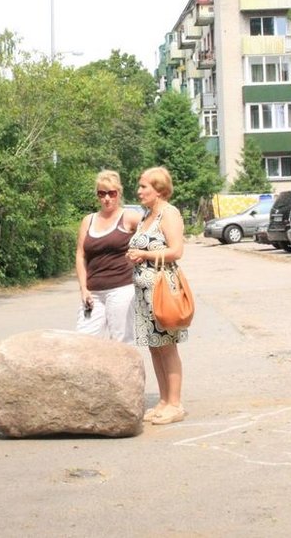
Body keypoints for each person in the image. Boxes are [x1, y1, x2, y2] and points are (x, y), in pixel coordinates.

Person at [126, 167, 187, 425]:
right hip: (144, 291)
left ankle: (175, 403)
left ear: (159, 188)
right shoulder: (146, 216)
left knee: (167, 346)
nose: (139, 191)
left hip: (163, 289)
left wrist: (145, 255)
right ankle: (163, 400)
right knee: (155, 346)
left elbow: (176, 250)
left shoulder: (168, 214)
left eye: (143, 187)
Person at [75, 170, 142, 343]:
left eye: (112, 193)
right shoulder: (88, 220)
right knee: (84, 341)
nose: (107, 198)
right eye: (102, 193)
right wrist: (83, 288)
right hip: (93, 292)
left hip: (121, 289)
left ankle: (128, 371)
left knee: (121, 342)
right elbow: (81, 255)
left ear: (119, 193)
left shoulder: (129, 217)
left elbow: (154, 234)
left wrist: (142, 255)